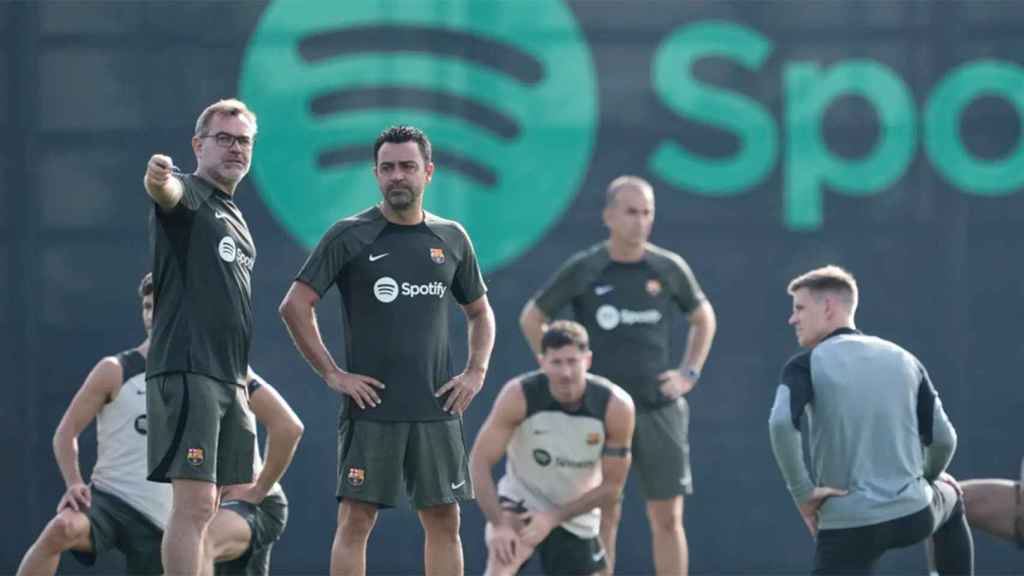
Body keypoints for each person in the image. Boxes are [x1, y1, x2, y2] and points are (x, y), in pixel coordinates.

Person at [279, 124, 496, 576]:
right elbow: (295, 306)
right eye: (388, 168)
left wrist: (476, 371)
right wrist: (333, 374)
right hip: (371, 407)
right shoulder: (349, 235)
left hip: (436, 407)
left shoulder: (451, 237)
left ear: (428, 172)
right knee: (356, 519)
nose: (398, 176)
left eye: (408, 167)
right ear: (375, 174)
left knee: (444, 519)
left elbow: (480, 312)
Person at [519, 175, 716, 575]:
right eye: (631, 212)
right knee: (602, 515)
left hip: (657, 407)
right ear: (609, 215)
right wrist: (563, 374)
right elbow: (533, 317)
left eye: (647, 213)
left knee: (667, 517)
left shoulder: (667, 267)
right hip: (599, 412)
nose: (640, 221)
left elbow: (703, 317)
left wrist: (688, 373)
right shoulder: (587, 267)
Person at [768, 265, 974, 575]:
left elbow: (781, 424)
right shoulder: (905, 358)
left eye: (799, 308)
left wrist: (803, 493)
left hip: (849, 527)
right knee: (953, 498)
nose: (792, 319)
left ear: (828, 308)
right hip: (914, 515)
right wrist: (928, 477)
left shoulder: (804, 364)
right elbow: (944, 439)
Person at [143, 98, 260, 576]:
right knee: (192, 507)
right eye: (224, 138)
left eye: (244, 141)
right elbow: (165, 191)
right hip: (190, 369)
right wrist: (157, 178)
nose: (235, 148)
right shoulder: (190, 193)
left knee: (208, 507)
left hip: (228, 377)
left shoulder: (233, 213)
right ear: (198, 145)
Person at [16, 273, 172, 576]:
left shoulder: (200, 375)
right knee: (61, 528)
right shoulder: (114, 370)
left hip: (166, 520)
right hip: (110, 501)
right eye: (147, 306)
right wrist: (74, 482)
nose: (152, 315)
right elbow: (65, 433)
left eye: (160, 306)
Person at [470, 320, 636, 576]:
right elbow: (478, 462)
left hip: (576, 510)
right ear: (542, 362)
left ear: (588, 360)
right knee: (501, 563)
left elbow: (612, 488)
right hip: (521, 501)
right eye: (557, 362)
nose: (566, 372)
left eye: (572, 361)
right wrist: (499, 524)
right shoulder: (518, 395)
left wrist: (553, 518)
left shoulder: (616, 407)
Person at [203, 368, 303, 576]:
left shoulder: (227, 362)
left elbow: (289, 427)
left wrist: (258, 490)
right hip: (195, 507)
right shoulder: (143, 375)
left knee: (199, 544)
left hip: (246, 505)